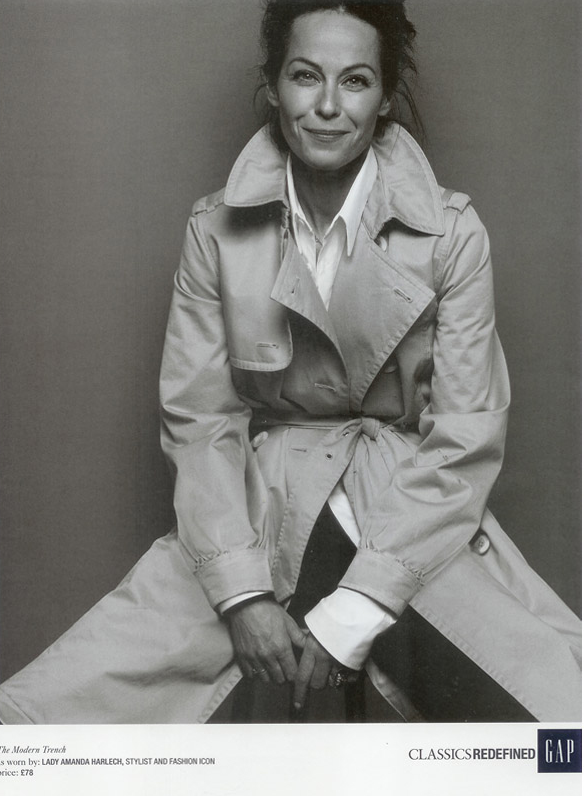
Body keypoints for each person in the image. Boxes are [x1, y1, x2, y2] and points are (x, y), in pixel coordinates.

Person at [0, 0, 580, 725]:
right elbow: (200, 423)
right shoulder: (214, 228)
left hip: (411, 514)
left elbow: (465, 438)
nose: (329, 106)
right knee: (38, 726)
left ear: (385, 97)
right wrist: (241, 594)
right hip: (261, 508)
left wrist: (356, 610)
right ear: (274, 86)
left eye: (356, 80)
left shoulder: (452, 232)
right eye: (306, 76)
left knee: (561, 725)